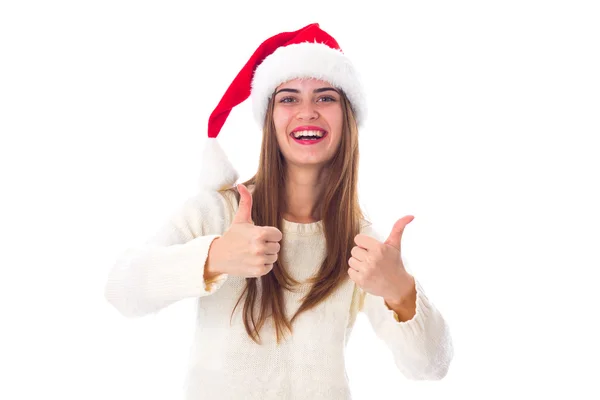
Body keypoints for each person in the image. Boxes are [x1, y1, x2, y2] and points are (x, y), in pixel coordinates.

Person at [104, 22, 453, 399]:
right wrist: (214, 257)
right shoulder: (217, 213)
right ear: (270, 117)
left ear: (347, 118)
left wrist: (400, 290)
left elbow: (431, 366)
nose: (307, 112)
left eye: (325, 98)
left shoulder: (360, 243)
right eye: (288, 98)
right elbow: (121, 289)